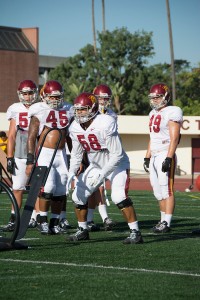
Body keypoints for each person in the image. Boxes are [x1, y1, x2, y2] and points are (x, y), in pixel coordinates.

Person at [67, 92, 143, 244]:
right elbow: (76, 155)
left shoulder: (105, 122)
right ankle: (83, 230)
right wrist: (70, 173)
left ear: (93, 109)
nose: (79, 112)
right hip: (96, 164)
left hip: (117, 164)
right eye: (78, 109)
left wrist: (102, 174)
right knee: (78, 196)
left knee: (118, 197)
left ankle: (136, 232)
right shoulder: (75, 127)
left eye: (83, 109)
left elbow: (117, 155)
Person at [26, 80, 73, 235]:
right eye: (52, 97)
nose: (55, 100)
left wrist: (75, 157)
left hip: (62, 154)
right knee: (49, 187)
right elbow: (32, 137)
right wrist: (30, 159)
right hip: (45, 152)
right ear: (44, 96)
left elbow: (70, 136)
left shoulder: (68, 109)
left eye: (57, 97)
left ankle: (54, 223)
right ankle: (42, 221)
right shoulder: (38, 109)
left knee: (61, 190)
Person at [143, 83, 183, 233]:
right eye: (152, 97)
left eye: (157, 97)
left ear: (166, 96)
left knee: (167, 190)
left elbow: (174, 138)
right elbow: (152, 137)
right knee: (157, 191)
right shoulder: (152, 113)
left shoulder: (173, 111)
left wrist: (169, 157)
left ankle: (167, 222)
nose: (154, 100)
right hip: (154, 154)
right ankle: (161, 221)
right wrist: (147, 157)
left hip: (165, 153)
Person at [4, 80, 40, 231]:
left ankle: (38, 218)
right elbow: (11, 135)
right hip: (20, 152)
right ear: (20, 94)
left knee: (37, 188)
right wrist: (10, 157)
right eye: (24, 93)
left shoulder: (40, 107)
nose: (27, 96)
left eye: (30, 93)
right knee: (17, 187)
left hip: (37, 150)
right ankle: (14, 219)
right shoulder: (15, 108)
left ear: (35, 93)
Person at [86, 84, 117, 231]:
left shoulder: (111, 115)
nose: (103, 101)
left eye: (105, 98)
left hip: (106, 153)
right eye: (100, 98)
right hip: (90, 152)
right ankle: (101, 218)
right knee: (92, 187)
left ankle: (91, 219)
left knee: (98, 186)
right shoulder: (88, 112)